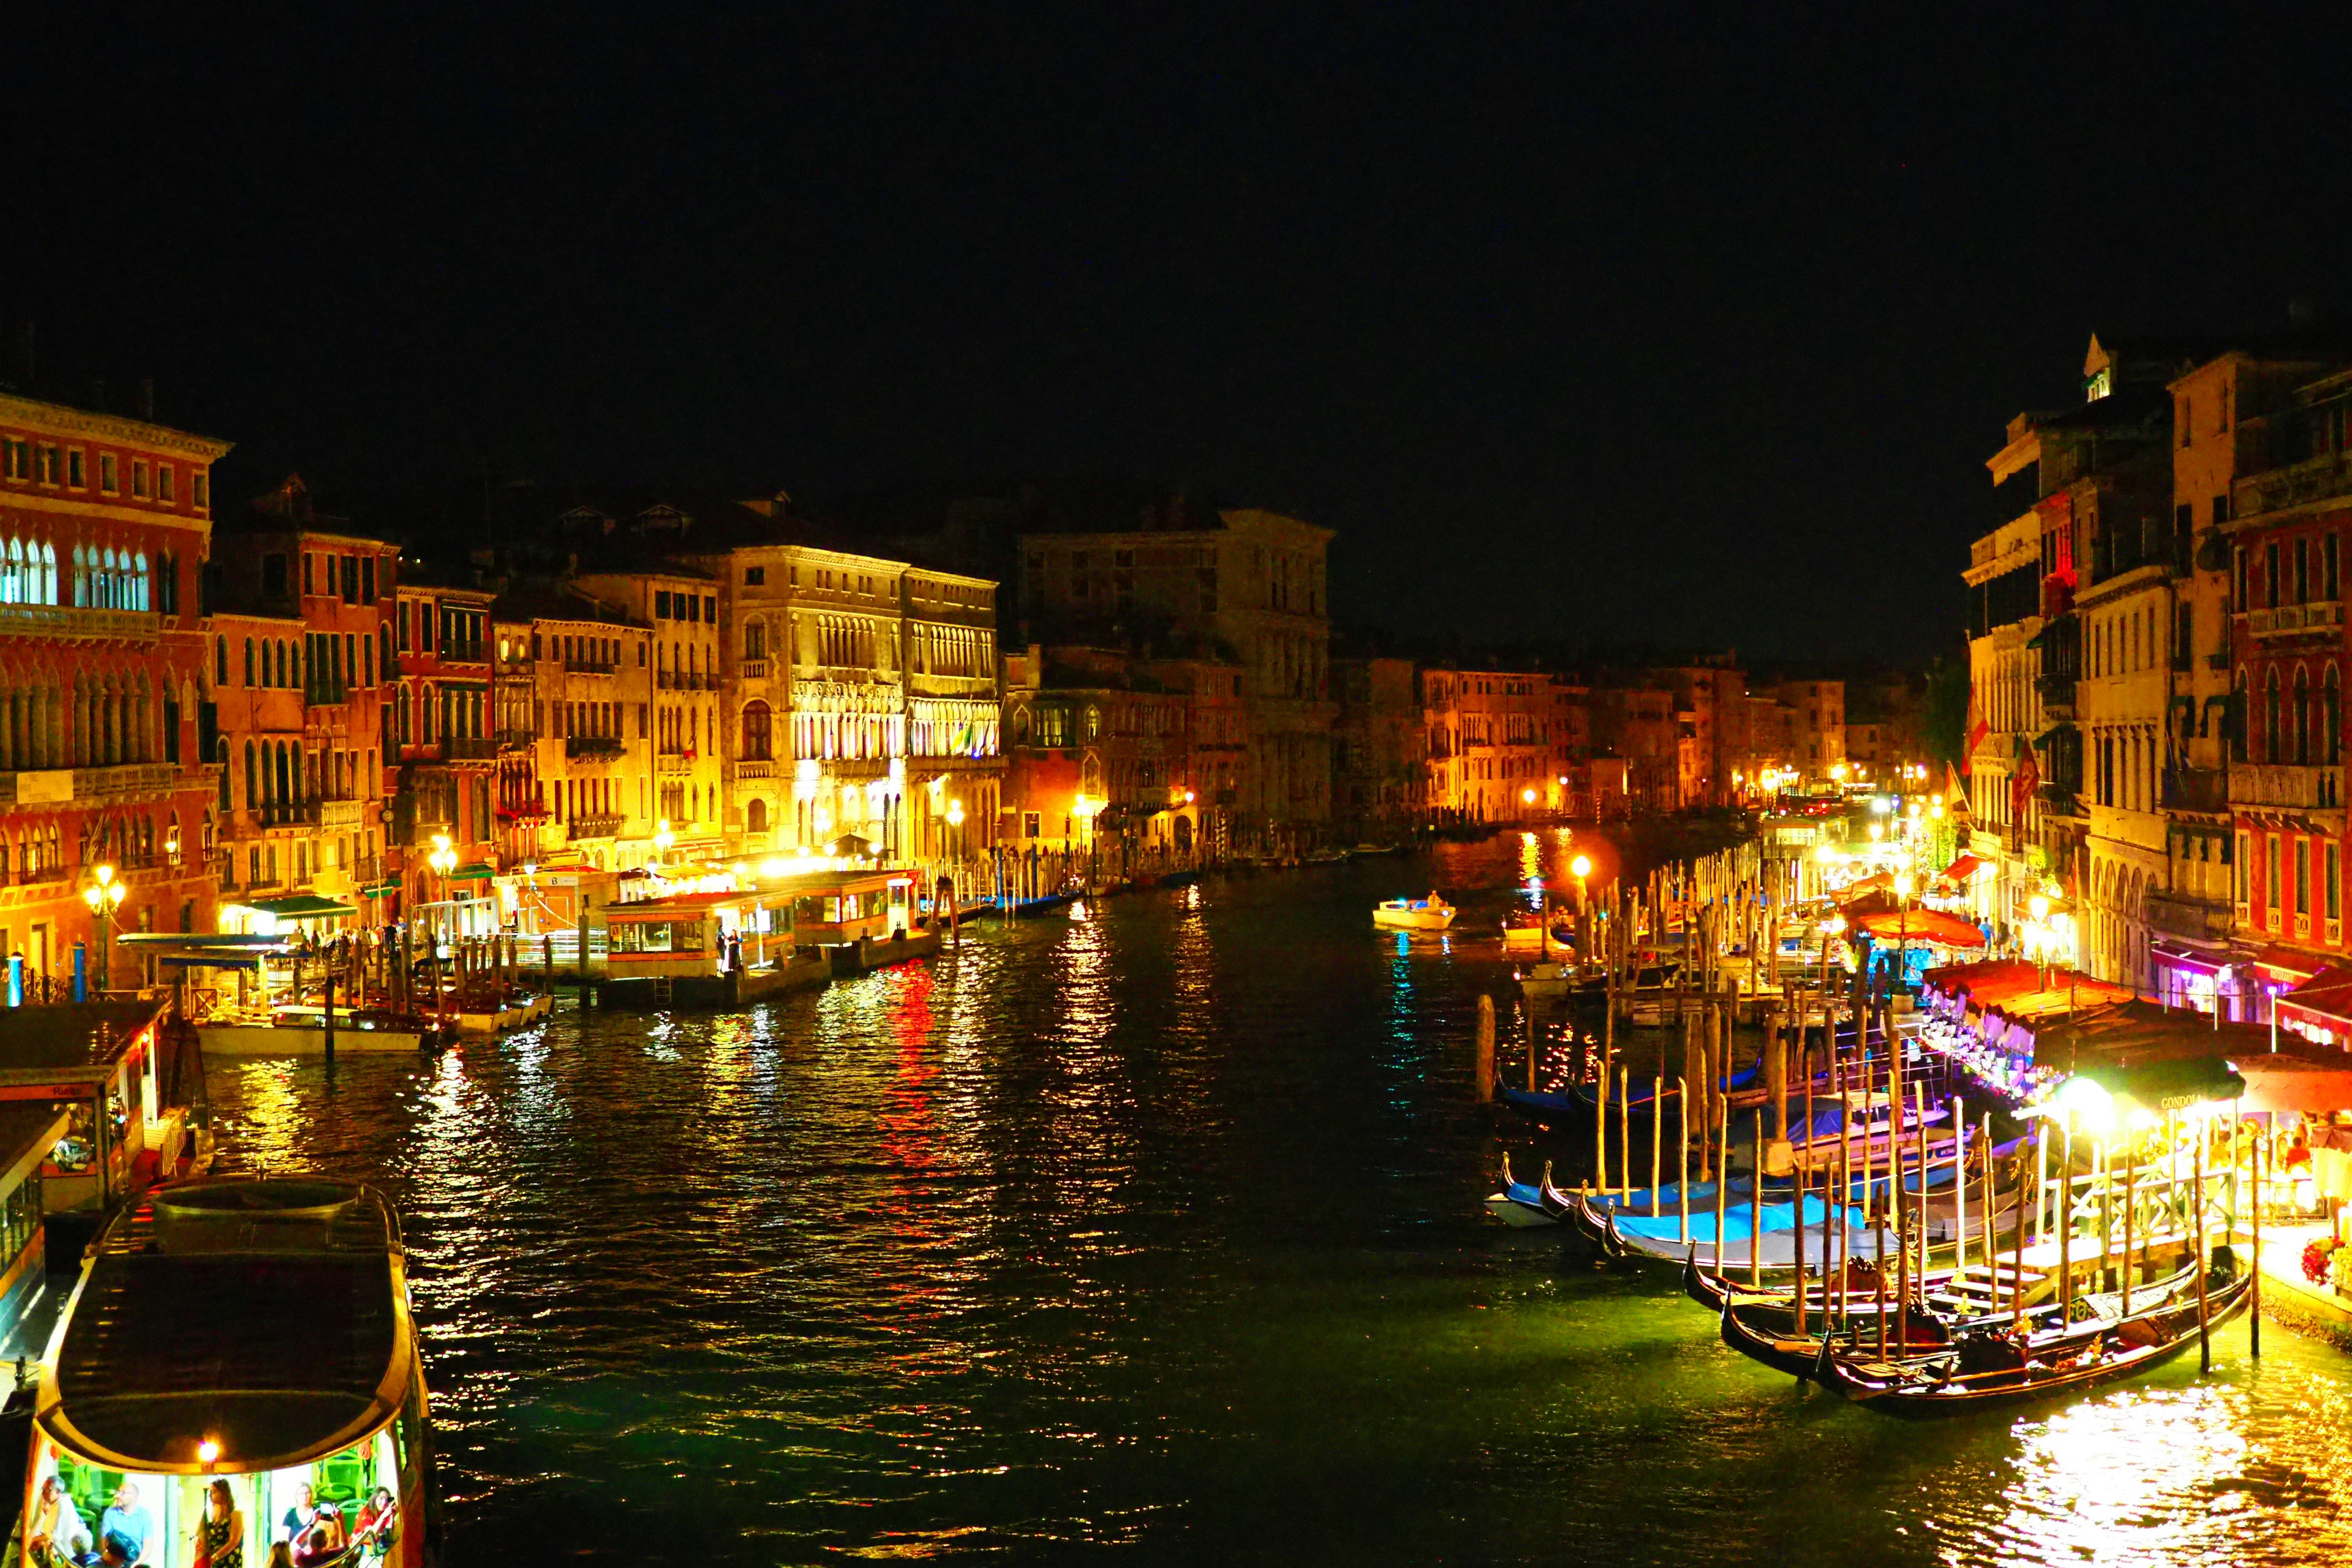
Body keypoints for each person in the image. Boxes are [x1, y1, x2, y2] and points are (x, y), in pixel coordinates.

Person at [29, 1474, 88, 1567]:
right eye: (43, 1490)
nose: (43, 1494)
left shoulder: (62, 1506)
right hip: (54, 1553)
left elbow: (54, 1536)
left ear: (58, 1491)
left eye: (48, 1490)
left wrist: (37, 1539)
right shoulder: (55, 1504)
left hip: (65, 1557)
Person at [99, 1482, 151, 1566]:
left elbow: (147, 1548)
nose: (118, 1496)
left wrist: (135, 1565)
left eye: (123, 1493)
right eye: (118, 1492)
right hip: (113, 1562)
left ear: (134, 1497)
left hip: (135, 1561)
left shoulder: (145, 1515)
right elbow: (105, 1544)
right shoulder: (110, 1513)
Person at [195, 1479, 243, 1568]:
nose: (210, 1496)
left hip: (229, 1563)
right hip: (213, 1563)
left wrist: (215, 1557)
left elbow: (234, 1542)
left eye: (213, 1492)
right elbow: (199, 1534)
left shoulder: (235, 1514)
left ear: (223, 1493)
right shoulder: (211, 1515)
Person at [352, 1487, 398, 1561]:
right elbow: (371, 1534)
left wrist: (392, 1515)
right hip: (361, 1546)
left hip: (378, 1545)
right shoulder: (366, 1513)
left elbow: (389, 1530)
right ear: (375, 1498)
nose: (384, 1502)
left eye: (387, 1499)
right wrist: (383, 1517)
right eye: (381, 1498)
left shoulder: (385, 1510)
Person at [277, 1483, 318, 1547]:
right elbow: (284, 1540)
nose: (305, 1496)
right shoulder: (290, 1515)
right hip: (295, 1555)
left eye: (307, 1493)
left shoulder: (318, 1512)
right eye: (301, 1494)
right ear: (296, 1496)